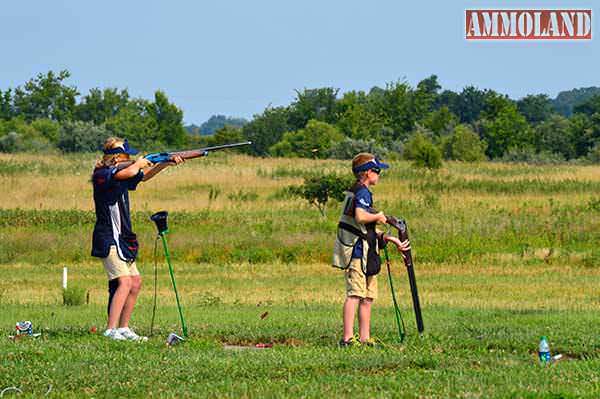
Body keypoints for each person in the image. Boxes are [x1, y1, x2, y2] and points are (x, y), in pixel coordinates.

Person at [91, 137, 183, 341]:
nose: (130, 158)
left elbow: (143, 176)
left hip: (123, 238)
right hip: (108, 238)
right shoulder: (102, 174)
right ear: (117, 157)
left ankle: (123, 328)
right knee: (124, 282)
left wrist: (165, 163)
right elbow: (132, 171)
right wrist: (140, 163)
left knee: (135, 282)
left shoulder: (121, 174)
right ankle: (110, 330)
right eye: (126, 155)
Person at [332, 153, 410, 346]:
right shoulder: (362, 192)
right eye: (377, 171)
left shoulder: (359, 191)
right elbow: (360, 217)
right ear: (367, 173)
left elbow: (367, 229)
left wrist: (391, 239)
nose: (379, 174)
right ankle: (348, 339)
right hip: (357, 253)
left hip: (367, 252)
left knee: (368, 297)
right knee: (355, 295)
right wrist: (378, 216)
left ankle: (365, 338)